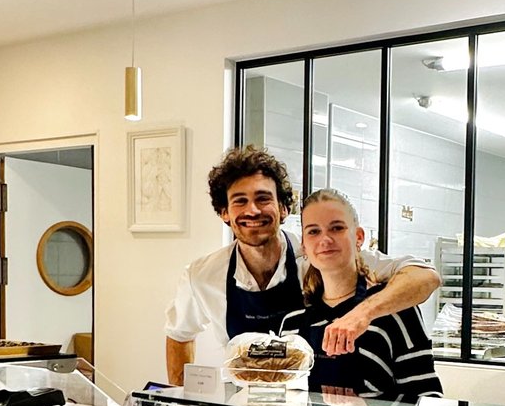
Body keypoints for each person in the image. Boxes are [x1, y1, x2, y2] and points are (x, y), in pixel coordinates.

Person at [164, 146, 440, 385]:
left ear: (284, 208)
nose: (252, 211)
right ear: (224, 212)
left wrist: (360, 315)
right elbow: (179, 335)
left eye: (263, 199)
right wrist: (182, 401)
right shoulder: (202, 276)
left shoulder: (317, 251)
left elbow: (424, 277)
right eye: (239, 202)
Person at [280, 187, 487, 406]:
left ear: (359, 237)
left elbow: (423, 397)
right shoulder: (293, 321)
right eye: (313, 232)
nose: (325, 239)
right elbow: (278, 402)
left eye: (337, 228)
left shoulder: (392, 312)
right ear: (305, 246)